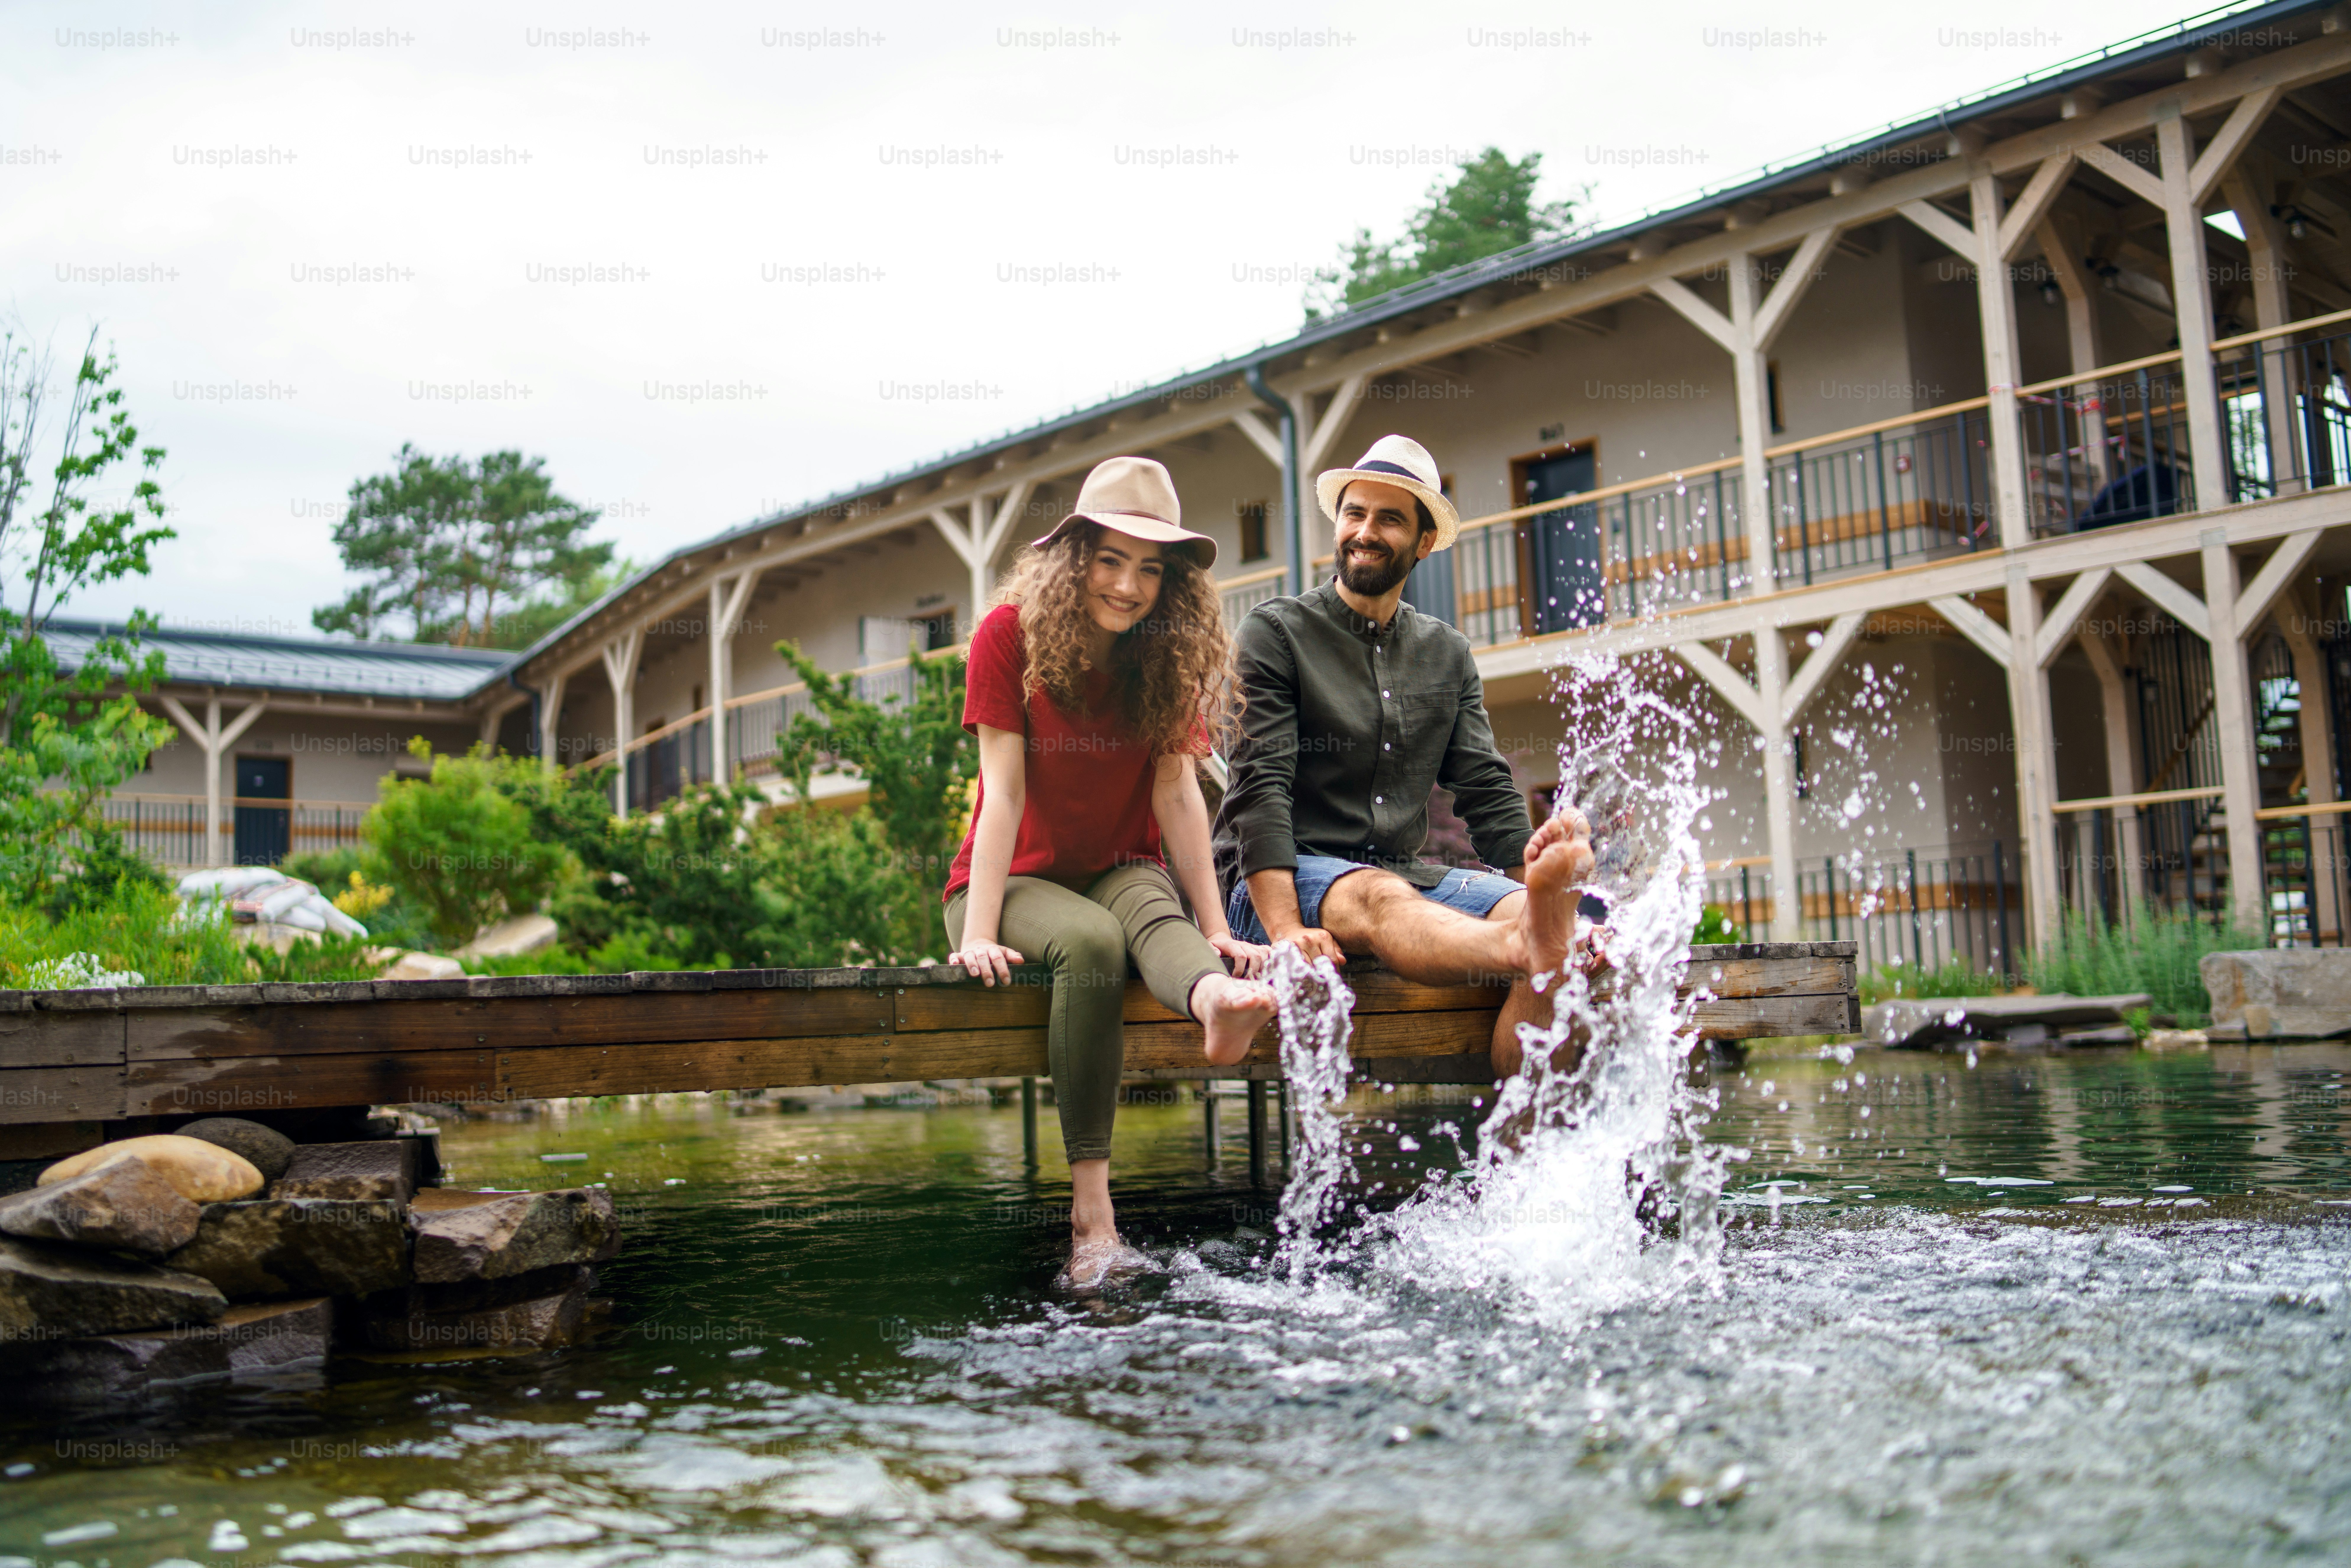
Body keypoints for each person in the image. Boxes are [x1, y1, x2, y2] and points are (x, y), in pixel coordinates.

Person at [944, 455, 1277, 1287]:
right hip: (1010, 883)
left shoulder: (1165, 659)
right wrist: (979, 930)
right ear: (1075, 556)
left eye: (1151, 570)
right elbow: (1004, 795)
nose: (1129, 587)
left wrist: (1215, 930)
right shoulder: (1008, 636)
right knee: (1092, 943)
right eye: (1111, 560)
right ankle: (1093, 1220)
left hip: (1117, 868)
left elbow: (1177, 796)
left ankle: (1217, 1005)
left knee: (1152, 908)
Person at [1212, 435, 1597, 1078]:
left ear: (1423, 542)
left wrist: (1529, 873)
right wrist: (1282, 930)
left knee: (1554, 944)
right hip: (1279, 882)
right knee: (1385, 897)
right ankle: (1528, 939)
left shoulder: (1446, 652)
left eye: (1389, 519)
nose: (1365, 532)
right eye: (1354, 514)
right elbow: (1260, 790)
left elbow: (1484, 786)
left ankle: (1518, 1153)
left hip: (1402, 874)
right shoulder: (1275, 632)